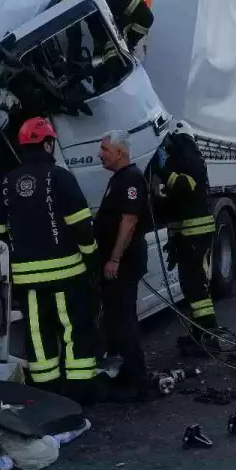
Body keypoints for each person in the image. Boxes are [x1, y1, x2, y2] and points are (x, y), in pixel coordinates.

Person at [0, 117, 101, 401]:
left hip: (27, 278)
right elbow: (82, 226)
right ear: (48, 144)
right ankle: (81, 390)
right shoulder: (60, 177)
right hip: (67, 273)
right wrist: (93, 261)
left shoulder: (6, 183)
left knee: (38, 332)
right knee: (73, 329)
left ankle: (47, 393)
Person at [151, 121, 218, 354]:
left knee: (197, 288)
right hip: (185, 235)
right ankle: (199, 333)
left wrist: (161, 169)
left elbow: (183, 185)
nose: (168, 146)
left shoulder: (191, 159)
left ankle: (209, 338)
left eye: (171, 141)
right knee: (191, 288)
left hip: (195, 235)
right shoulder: (181, 159)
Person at [94, 129, 152, 401]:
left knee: (123, 318)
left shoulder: (131, 179)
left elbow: (128, 224)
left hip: (124, 263)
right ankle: (128, 372)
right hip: (117, 261)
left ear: (120, 152)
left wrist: (114, 259)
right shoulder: (119, 179)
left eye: (104, 149)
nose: (99, 154)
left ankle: (138, 379)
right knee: (118, 318)